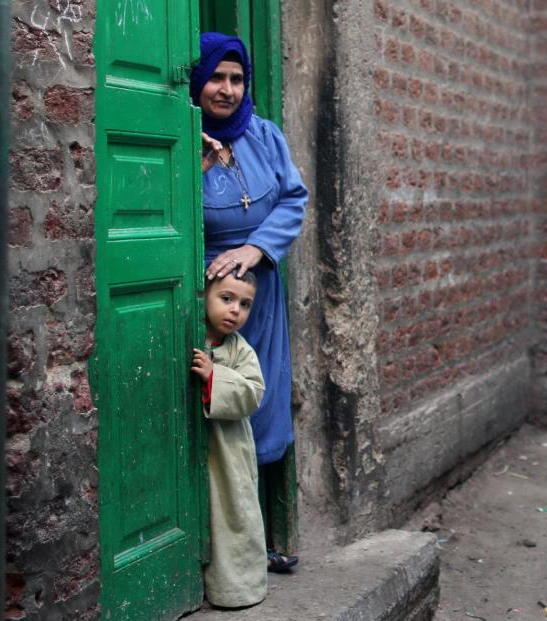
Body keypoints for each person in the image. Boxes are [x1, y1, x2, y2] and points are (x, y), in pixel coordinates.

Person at [190, 32, 307, 572]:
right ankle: (206, 548)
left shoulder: (265, 136)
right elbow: (160, 205)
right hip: (206, 297)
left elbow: (293, 197)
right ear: (197, 77)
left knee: (257, 408)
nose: (228, 90)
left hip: (258, 295)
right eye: (217, 76)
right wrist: (198, 170)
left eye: (237, 79)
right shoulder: (180, 136)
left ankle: (252, 544)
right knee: (210, 416)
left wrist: (256, 247)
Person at [191, 269, 267, 608]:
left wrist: (213, 376)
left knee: (232, 514)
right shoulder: (188, 334)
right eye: (226, 299)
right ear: (204, 295)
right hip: (191, 449)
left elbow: (253, 392)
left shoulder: (240, 350)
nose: (235, 310)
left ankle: (237, 588)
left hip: (227, 451)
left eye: (245, 304)